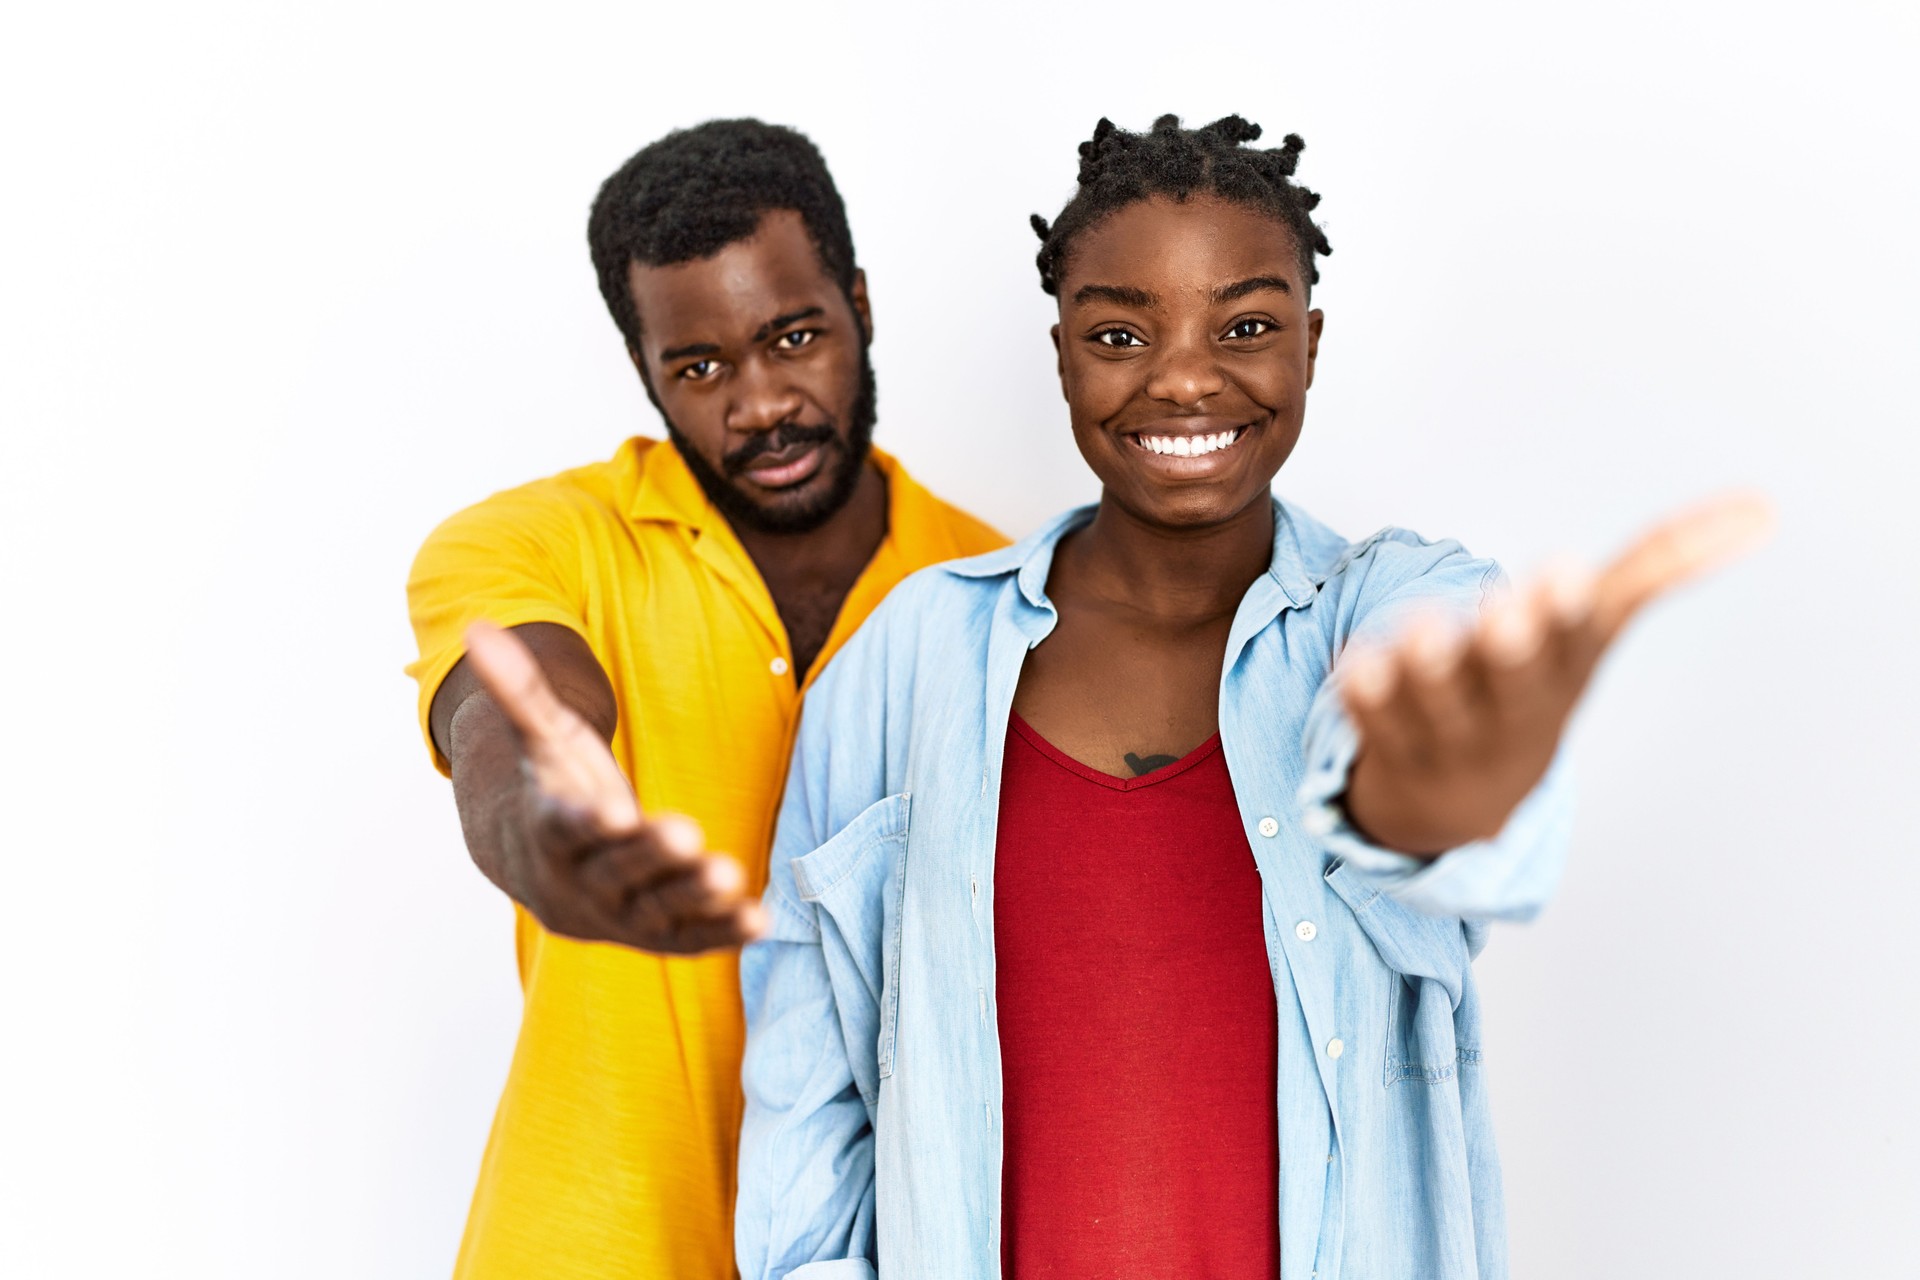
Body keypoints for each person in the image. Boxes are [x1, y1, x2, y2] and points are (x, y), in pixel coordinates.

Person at [735, 115, 1769, 1280]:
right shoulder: (901, 662)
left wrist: (1425, 795)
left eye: (1247, 325)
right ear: (1064, 353)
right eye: (1122, 330)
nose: (1184, 375)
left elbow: (1449, 786)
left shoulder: (1391, 605)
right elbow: (803, 1104)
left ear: (1311, 344)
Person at [404, 119, 1003, 1280]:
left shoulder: (998, 595)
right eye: (701, 366)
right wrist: (548, 824)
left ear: (861, 307)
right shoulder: (527, 542)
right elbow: (510, 710)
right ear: (646, 370)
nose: (762, 403)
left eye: (794, 336)